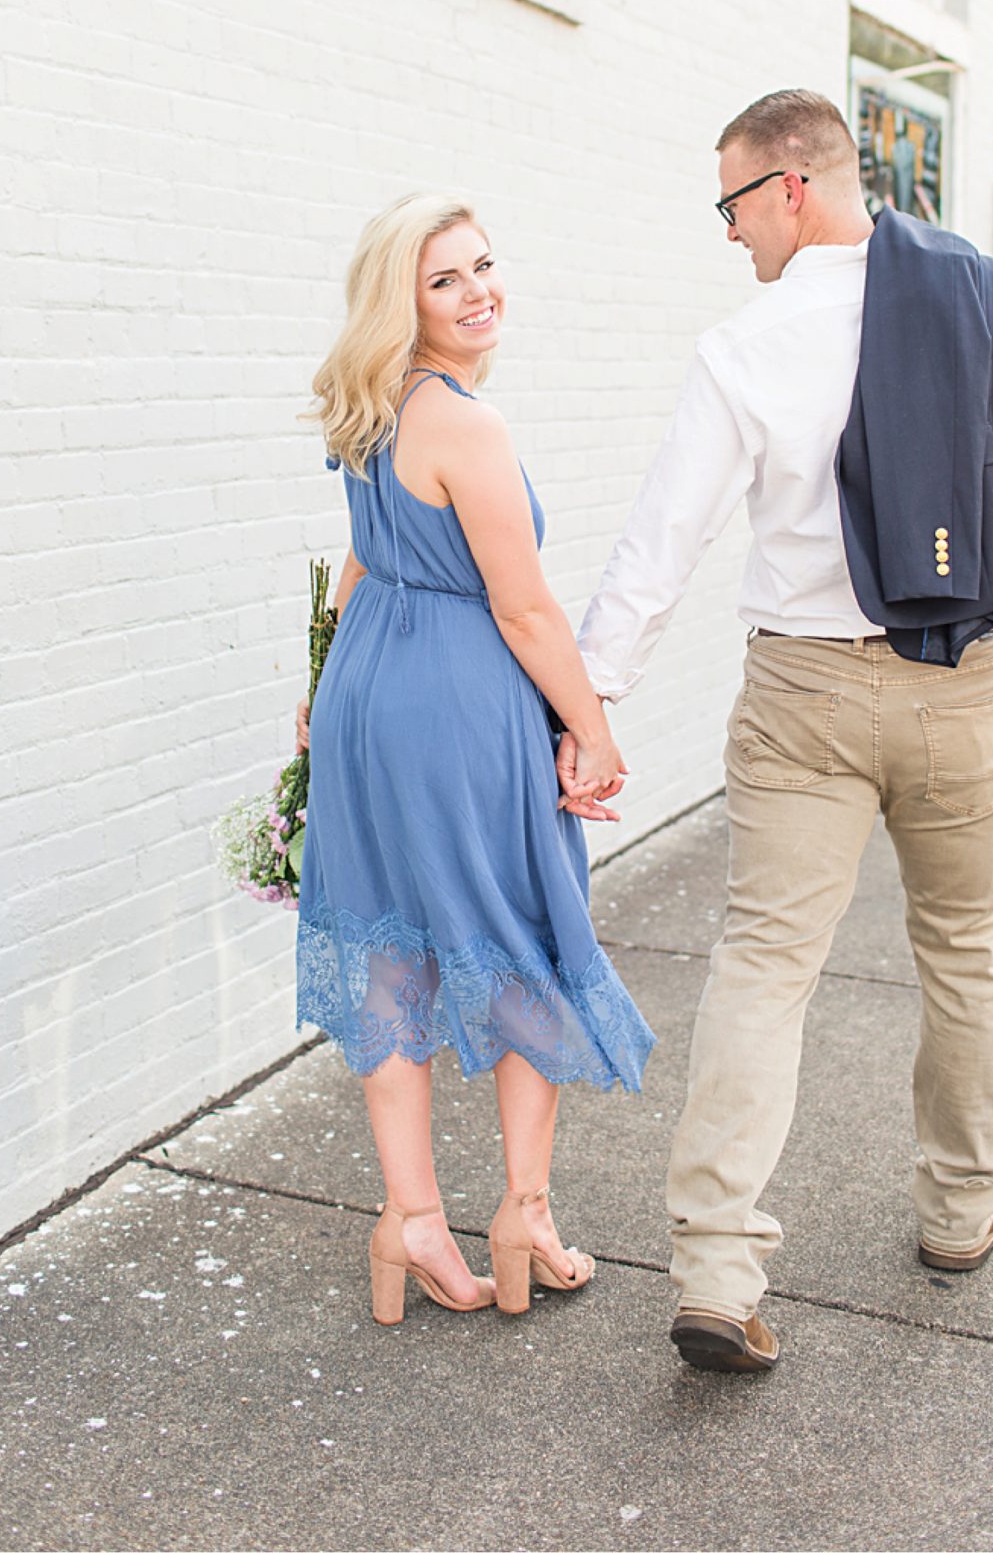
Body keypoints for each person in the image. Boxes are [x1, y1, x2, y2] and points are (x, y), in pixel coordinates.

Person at [566, 89, 993, 1375]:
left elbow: (661, 548)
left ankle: (714, 1260)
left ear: (790, 184)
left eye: (729, 205)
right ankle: (957, 1207)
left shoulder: (745, 347)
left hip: (802, 696)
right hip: (963, 685)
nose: (727, 236)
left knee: (765, 962)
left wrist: (590, 708)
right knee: (971, 948)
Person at [295, 193, 653, 1328]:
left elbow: (360, 562)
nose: (477, 290)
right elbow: (526, 608)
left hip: (367, 689)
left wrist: (316, 698)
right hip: (455, 699)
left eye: (484, 265)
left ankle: (409, 1217)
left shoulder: (369, 405)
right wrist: (591, 727)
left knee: (391, 940)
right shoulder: (463, 423)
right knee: (524, 930)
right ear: (402, 298)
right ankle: (522, 1211)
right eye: (444, 277)